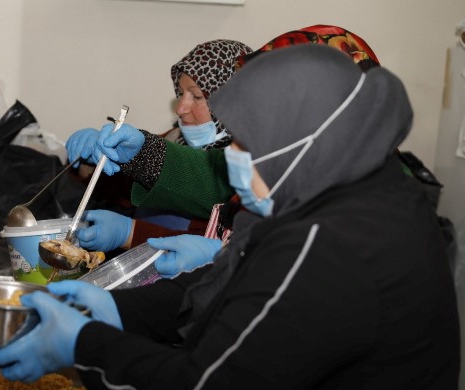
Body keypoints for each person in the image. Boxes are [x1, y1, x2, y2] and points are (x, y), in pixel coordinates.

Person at [0, 44, 465, 390]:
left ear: (298, 140)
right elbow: (240, 282)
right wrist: (114, 308)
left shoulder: (332, 242)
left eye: (244, 141)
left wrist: (82, 345)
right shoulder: (351, 192)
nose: (229, 153)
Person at [73, 25, 387, 276]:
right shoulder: (287, 162)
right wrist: (138, 153)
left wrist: (227, 259)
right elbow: (214, 177)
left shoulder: (368, 202)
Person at [67, 39, 253, 265]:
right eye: (180, 94)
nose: (181, 108)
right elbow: (121, 191)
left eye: (197, 96)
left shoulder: (250, 163)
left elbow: (208, 242)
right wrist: (94, 161)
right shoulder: (171, 139)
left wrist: (129, 233)